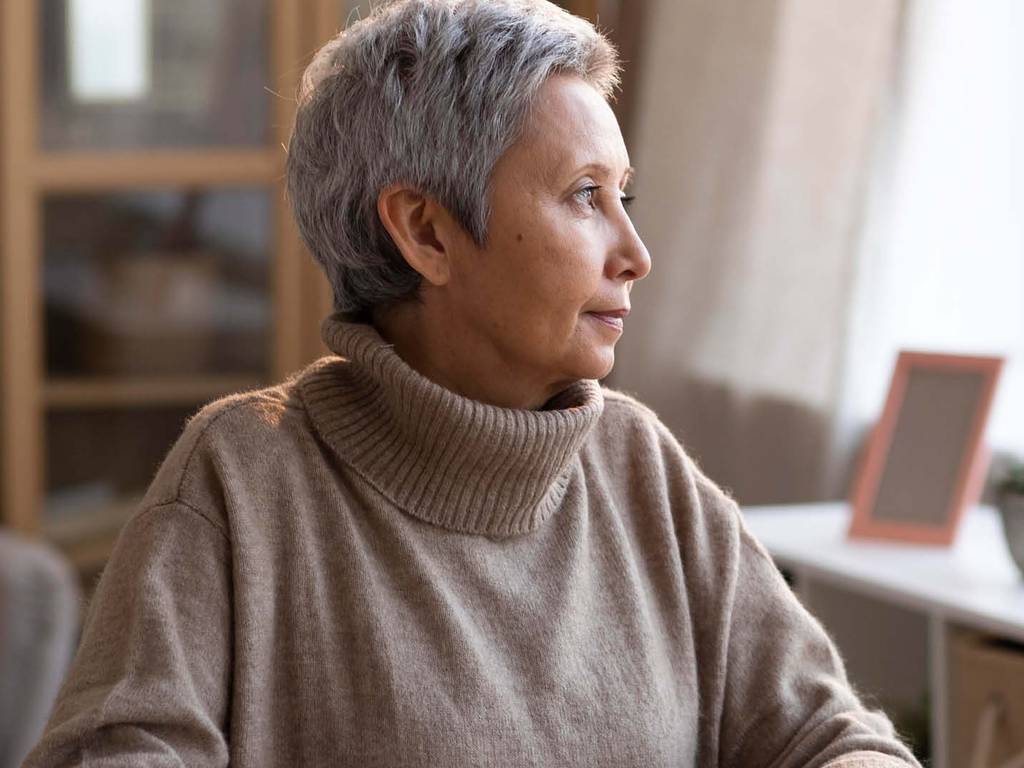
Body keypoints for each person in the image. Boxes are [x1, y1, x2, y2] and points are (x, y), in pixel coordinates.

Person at [24, 1, 922, 766]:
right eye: (582, 196)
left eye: (626, 198)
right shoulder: (240, 484)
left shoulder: (637, 463)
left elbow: (831, 736)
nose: (636, 255)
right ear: (427, 232)